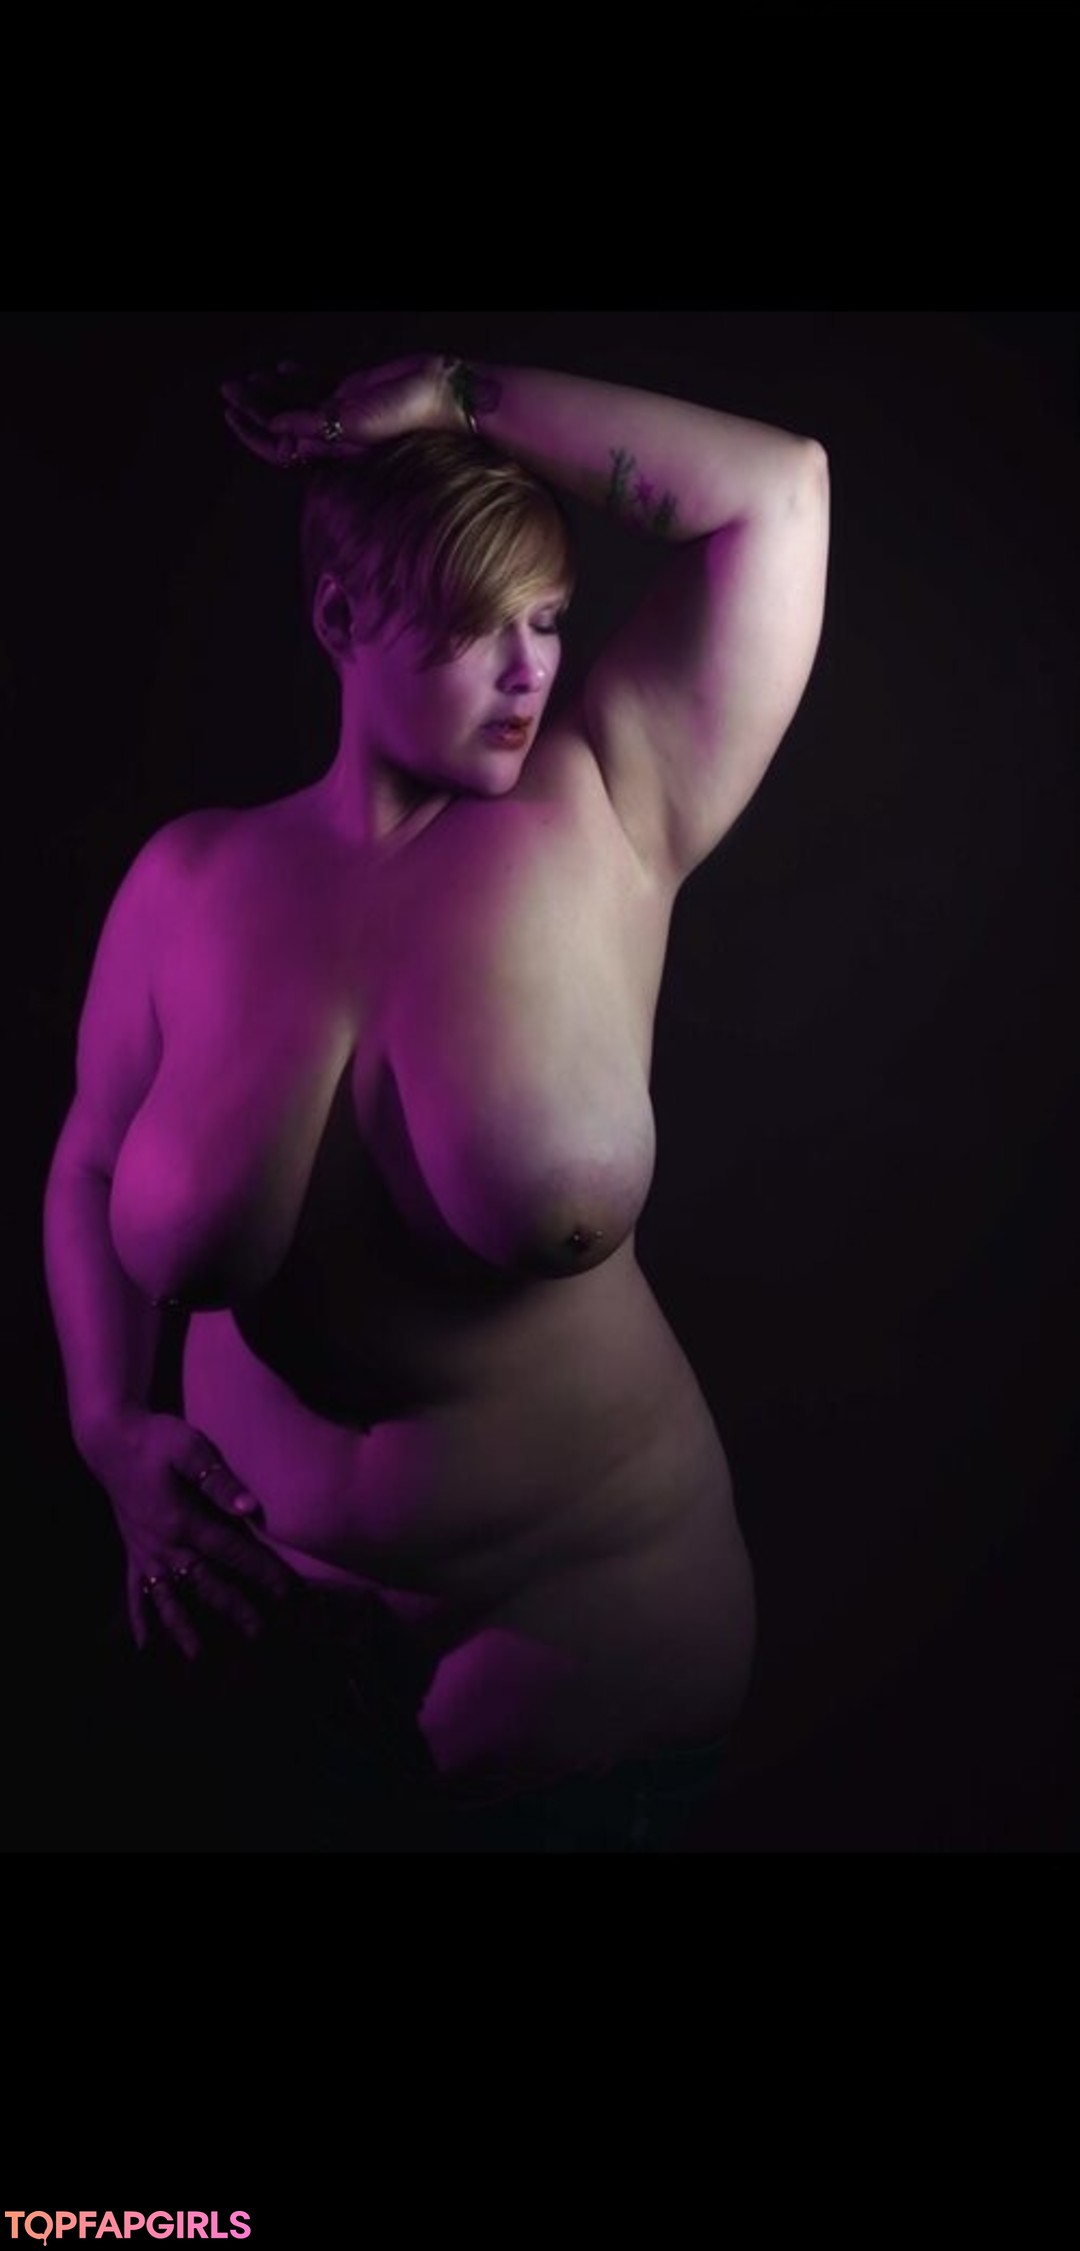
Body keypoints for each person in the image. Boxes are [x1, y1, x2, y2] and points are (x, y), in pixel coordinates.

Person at [42, 349, 830, 1851]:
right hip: (261, 1678)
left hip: (584, 1654)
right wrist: (104, 1426)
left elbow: (779, 494)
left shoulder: (608, 807)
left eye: (549, 618)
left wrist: (460, 395)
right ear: (340, 619)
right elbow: (86, 1166)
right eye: (482, 624)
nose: (533, 670)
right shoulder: (189, 882)